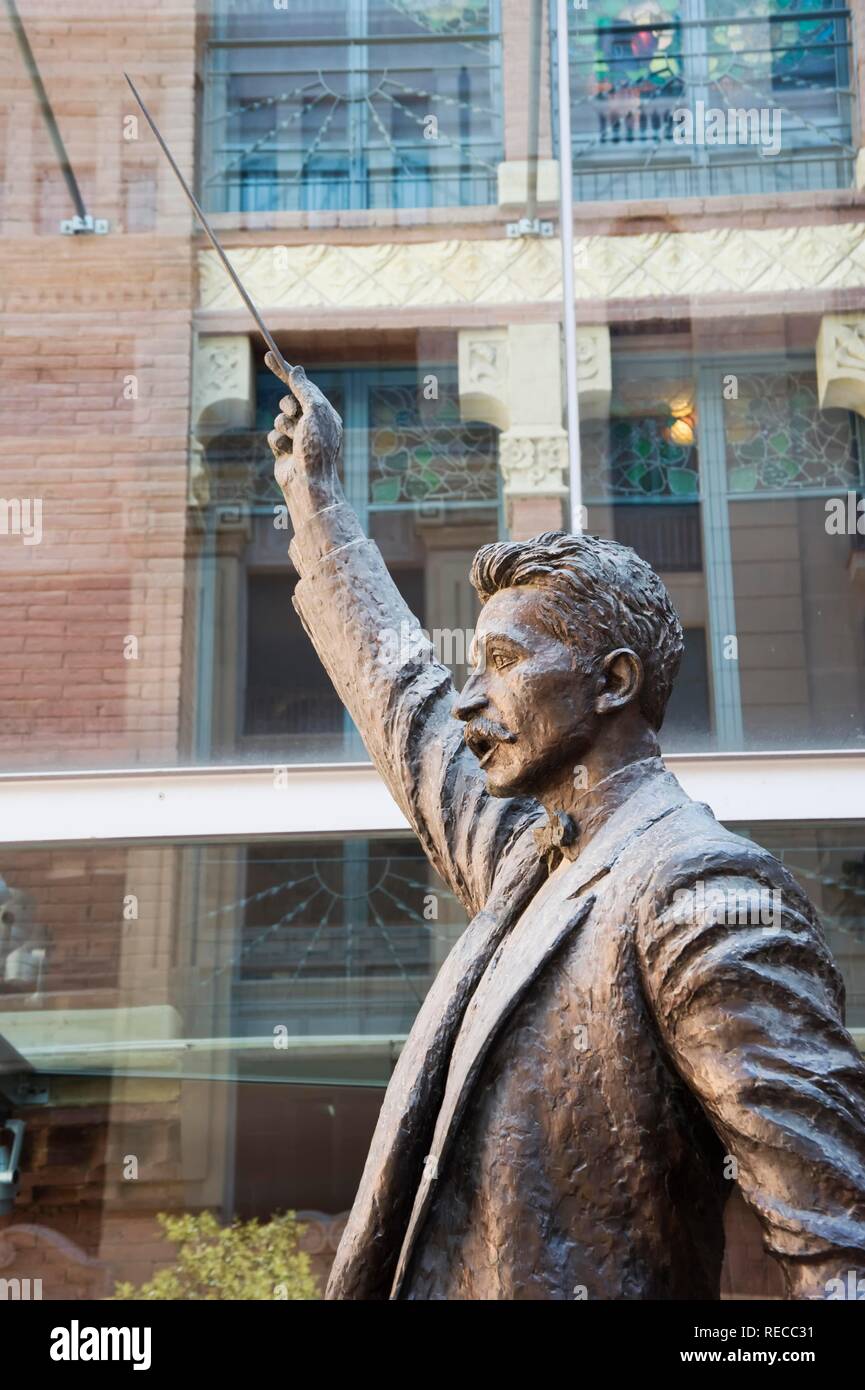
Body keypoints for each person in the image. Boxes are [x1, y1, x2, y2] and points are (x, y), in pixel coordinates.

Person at [267, 354, 865, 1301]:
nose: (470, 700)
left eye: (503, 661)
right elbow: (405, 703)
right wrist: (318, 506)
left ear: (612, 681)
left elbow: (834, 1241)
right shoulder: (525, 860)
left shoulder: (703, 891)